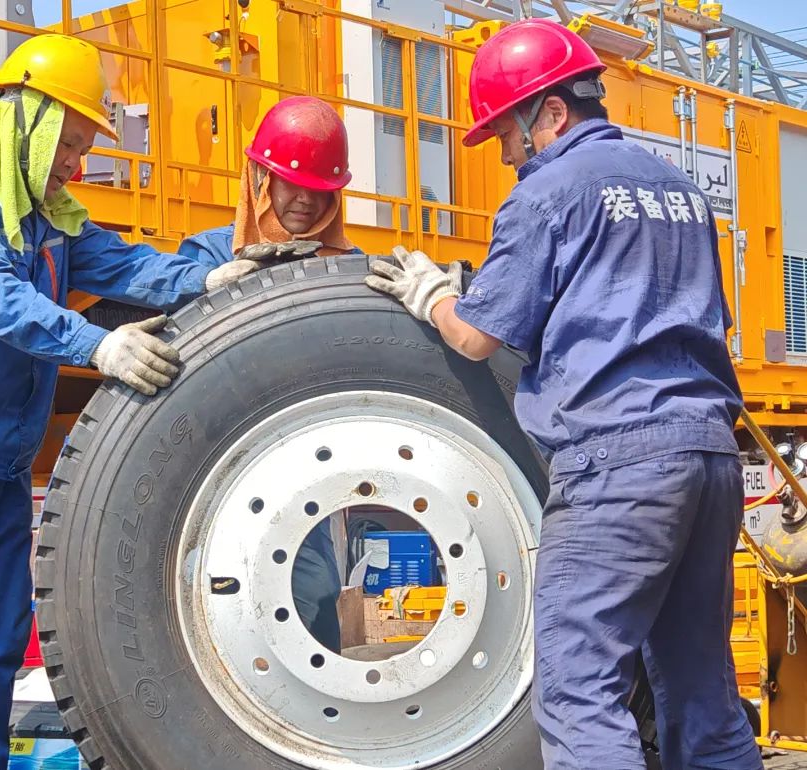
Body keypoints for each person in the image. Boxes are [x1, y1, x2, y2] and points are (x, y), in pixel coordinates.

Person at [0, 34, 262, 770]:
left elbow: (124, 264)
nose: (74, 162)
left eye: (83, 147)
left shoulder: (51, 218)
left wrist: (206, 280)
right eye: (68, 142)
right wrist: (97, 345)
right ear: (22, 118)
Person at [365, 19, 761, 770]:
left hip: (618, 464)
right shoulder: (682, 192)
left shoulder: (548, 193)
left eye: (506, 135)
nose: (506, 155)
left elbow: (477, 337)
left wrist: (434, 296)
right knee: (702, 692)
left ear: (549, 112)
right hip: (710, 457)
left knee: (581, 691)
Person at [179, 96, 358, 652]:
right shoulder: (209, 257)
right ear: (261, 179)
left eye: (319, 189)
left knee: (316, 592)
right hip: (219, 457)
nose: (305, 200)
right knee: (223, 598)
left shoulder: (345, 270)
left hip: (304, 462)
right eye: (291, 183)